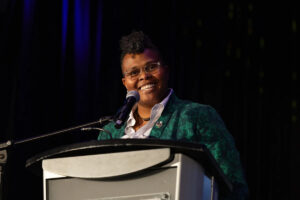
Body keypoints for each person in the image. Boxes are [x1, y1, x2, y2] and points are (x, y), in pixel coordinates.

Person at [98, 31, 248, 199]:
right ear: (125, 83)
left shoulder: (197, 116)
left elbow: (234, 185)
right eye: (133, 72)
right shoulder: (109, 132)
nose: (144, 76)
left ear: (166, 71)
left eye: (151, 67)